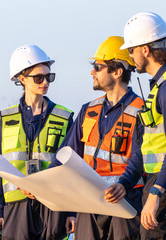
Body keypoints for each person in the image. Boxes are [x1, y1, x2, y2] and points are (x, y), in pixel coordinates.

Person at [106, 12, 166, 239]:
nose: (130, 57)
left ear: (145, 50)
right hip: (165, 182)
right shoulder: (161, 85)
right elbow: (148, 146)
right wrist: (125, 182)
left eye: (131, 50)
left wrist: (156, 191)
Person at [49, 36, 144, 240]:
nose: (92, 71)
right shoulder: (88, 110)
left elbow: (140, 158)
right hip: (89, 204)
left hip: (126, 204)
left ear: (117, 72)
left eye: (98, 66)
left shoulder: (141, 112)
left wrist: (125, 185)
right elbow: (65, 156)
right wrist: (41, 183)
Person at [0, 44, 75, 240]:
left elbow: (72, 167)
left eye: (49, 77)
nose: (45, 82)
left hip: (54, 205)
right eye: (39, 77)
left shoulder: (64, 117)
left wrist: (72, 211)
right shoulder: (7, 119)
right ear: (22, 79)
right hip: (16, 207)